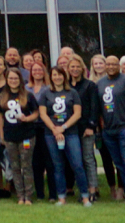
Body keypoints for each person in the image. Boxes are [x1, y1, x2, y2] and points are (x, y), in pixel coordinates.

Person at [39, 65, 90, 206]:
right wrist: (55, 129)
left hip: (70, 133)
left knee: (77, 165)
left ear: (64, 76)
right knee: (58, 166)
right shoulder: (45, 93)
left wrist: (63, 127)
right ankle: (61, 197)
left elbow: (77, 114)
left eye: (60, 75)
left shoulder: (72, 92)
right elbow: (43, 114)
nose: (57, 77)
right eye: (54, 75)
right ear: (51, 77)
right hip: (51, 134)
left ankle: (85, 196)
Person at [97, 53, 125, 205]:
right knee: (120, 165)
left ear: (119, 66)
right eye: (108, 64)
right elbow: (99, 107)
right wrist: (102, 124)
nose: (110, 67)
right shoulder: (100, 83)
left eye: (114, 64)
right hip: (109, 131)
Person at [0, 66, 39, 205]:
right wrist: (2, 135)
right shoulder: (2, 96)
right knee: (14, 166)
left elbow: (36, 112)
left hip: (26, 135)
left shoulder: (28, 95)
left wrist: (27, 118)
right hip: (10, 136)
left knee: (26, 165)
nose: (13, 80)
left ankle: (29, 196)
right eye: (10, 78)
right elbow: (1, 117)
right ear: (6, 79)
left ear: (20, 80)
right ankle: (20, 196)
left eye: (16, 78)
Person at [68, 55, 99, 201]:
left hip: (86, 128)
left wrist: (91, 126)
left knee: (88, 159)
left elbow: (94, 107)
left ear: (82, 68)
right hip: (70, 130)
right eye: (72, 67)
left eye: (77, 66)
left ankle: (92, 190)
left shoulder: (90, 85)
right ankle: (82, 189)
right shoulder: (65, 86)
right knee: (76, 161)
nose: (74, 69)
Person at [25, 58, 55, 201]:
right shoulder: (26, 88)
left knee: (49, 162)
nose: (37, 72)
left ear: (44, 72)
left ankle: (53, 194)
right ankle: (40, 194)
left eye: (40, 70)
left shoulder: (49, 88)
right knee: (35, 163)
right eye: (34, 70)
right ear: (31, 73)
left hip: (46, 128)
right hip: (30, 128)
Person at [90, 54, 118, 198]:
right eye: (96, 63)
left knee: (118, 158)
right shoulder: (91, 83)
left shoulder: (114, 81)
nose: (99, 66)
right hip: (98, 128)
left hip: (114, 124)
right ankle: (111, 187)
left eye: (102, 63)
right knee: (105, 158)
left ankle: (121, 187)